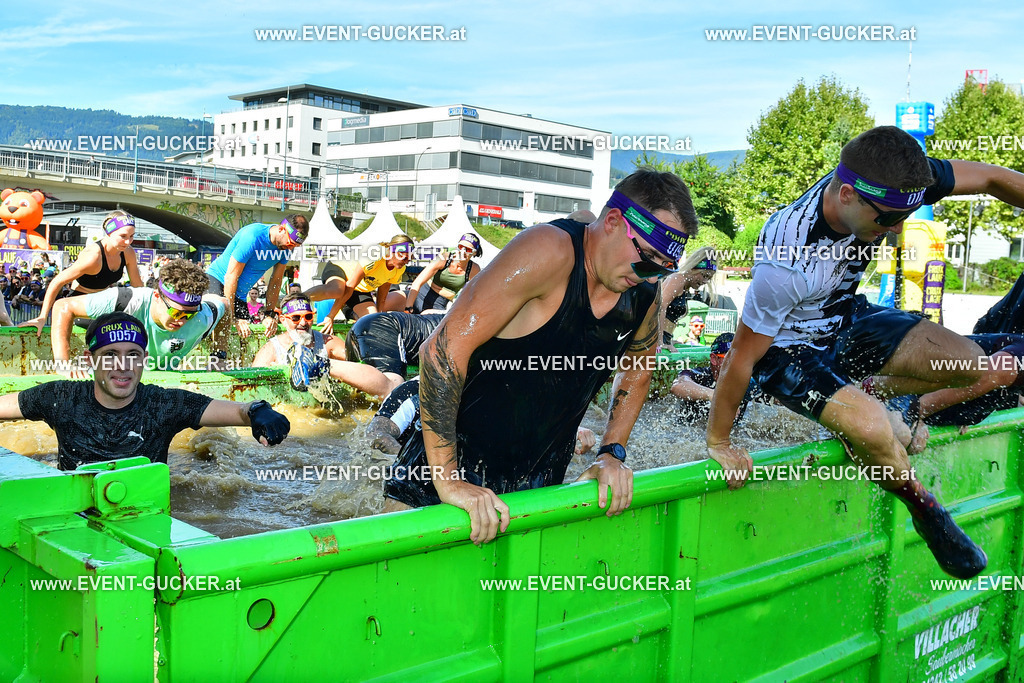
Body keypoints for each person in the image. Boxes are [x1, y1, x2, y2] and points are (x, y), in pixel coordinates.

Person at [707, 125, 1024, 579]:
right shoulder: (786, 261)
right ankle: (923, 506)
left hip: (844, 317)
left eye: (906, 216)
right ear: (847, 196)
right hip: (788, 352)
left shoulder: (895, 181)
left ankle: (879, 394)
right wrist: (719, 442)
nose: (897, 230)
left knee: (972, 365)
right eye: (888, 220)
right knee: (875, 429)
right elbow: (742, 356)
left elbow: (991, 178)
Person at [383, 168, 698, 544]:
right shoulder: (548, 252)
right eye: (648, 258)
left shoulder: (643, 293)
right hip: (436, 485)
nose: (652, 275)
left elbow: (638, 367)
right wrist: (448, 480)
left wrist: (611, 453)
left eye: (665, 267)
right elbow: (440, 351)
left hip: (534, 492)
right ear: (614, 221)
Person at [0, 312, 290, 470]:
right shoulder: (60, 398)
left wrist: (258, 411)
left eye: (132, 355)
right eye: (110, 354)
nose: (123, 365)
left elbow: (239, 411)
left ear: (144, 360)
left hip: (145, 513)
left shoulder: (163, 405)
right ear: (90, 360)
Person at [51, 258, 226, 371]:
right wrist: (63, 365)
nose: (181, 321)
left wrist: (219, 356)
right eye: (176, 312)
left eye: (189, 315)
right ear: (157, 296)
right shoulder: (128, 300)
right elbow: (63, 306)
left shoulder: (202, 316)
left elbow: (225, 305)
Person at [367, 377, 597, 457]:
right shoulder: (414, 392)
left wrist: (568, 432)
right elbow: (376, 434)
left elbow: (530, 419)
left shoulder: (494, 390)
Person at [22, 210, 143, 337]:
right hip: (78, 305)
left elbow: (138, 287)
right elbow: (57, 282)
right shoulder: (93, 256)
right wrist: (42, 317)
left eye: (132, 236)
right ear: (109, 232)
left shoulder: (128, 252)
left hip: (103, 304)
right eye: (123, 236)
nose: (128, 242)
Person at [883, 333, 1024, 433]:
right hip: (903, 383)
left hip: (921, 394)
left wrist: (969, 414)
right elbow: (986, 375)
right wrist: (915, 413)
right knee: (901, 435)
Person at [205, 215, 308, 339]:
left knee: (244, 338)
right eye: (290, 243)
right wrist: (232, 317)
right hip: (217, 280)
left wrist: (269, 314)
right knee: (223, 330)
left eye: (295, 246)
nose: (291, 248)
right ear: (281, 229)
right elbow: (231, 276)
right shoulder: (252, 237)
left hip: (239, 294)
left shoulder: (286, 249)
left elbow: (276, 281)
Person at [305, 234, 414, 328]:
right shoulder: (376, 255)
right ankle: (299, 297)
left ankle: (349, 312)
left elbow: (382, 297)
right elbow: (350, 286)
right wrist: (331, 316)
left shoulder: (399, 269)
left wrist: (379, 316)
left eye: (409, 259)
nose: (406, 262)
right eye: (404, 258)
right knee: (338, 290)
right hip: (340, 269)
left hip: (358, 289)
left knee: (373, 320)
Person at [671, 333, 769, 423]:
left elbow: (774, 397)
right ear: (714, 359)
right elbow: (678, 386)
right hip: (689, 431)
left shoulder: (746, 384)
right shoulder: (700, 376)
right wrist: (715, 396)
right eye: (732, 358)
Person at [252, 293, 347, 369]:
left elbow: (354, 362)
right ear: (283, 320)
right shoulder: (272, 349)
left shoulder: (326, 343)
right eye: (296, 318)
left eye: (308, 317)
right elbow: (253, 380)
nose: (303, 323)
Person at [404, 233, 482, 313]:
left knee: (426, 314)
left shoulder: (474, 269)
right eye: (461, 247)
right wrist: (408, 307)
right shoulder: (444, 258)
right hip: (419, 294)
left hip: (439, 305)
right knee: (396, 298)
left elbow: (477, 296)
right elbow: (417, 282)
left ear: (474, 253)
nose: (463, 252)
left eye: (468, 250)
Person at [660, 246, 720, 345]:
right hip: (658, 338)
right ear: (693, 268)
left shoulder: (684, 285)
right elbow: (660, 307)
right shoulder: (678, 280)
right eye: (704, 275)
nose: (705, 281)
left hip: (665, 337)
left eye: (709, 278)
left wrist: (668, 340)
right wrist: (659, 341)